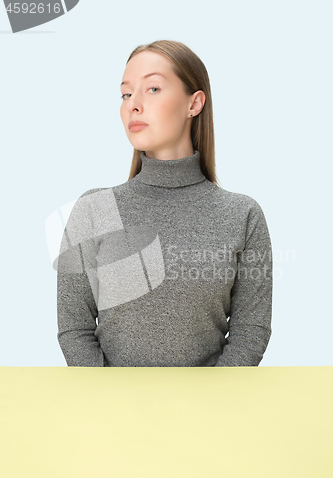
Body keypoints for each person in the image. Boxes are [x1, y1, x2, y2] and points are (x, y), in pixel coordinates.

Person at [56, 40, 273, 367]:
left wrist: (209, 405)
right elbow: (74, 326)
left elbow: (250, 330)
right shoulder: (94, 209)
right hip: (110, 413)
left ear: (194, 103)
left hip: (209, 413)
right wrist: (108, 402)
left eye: (152, 88)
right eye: (126, 94)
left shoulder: (243, 215)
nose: (134, 105)